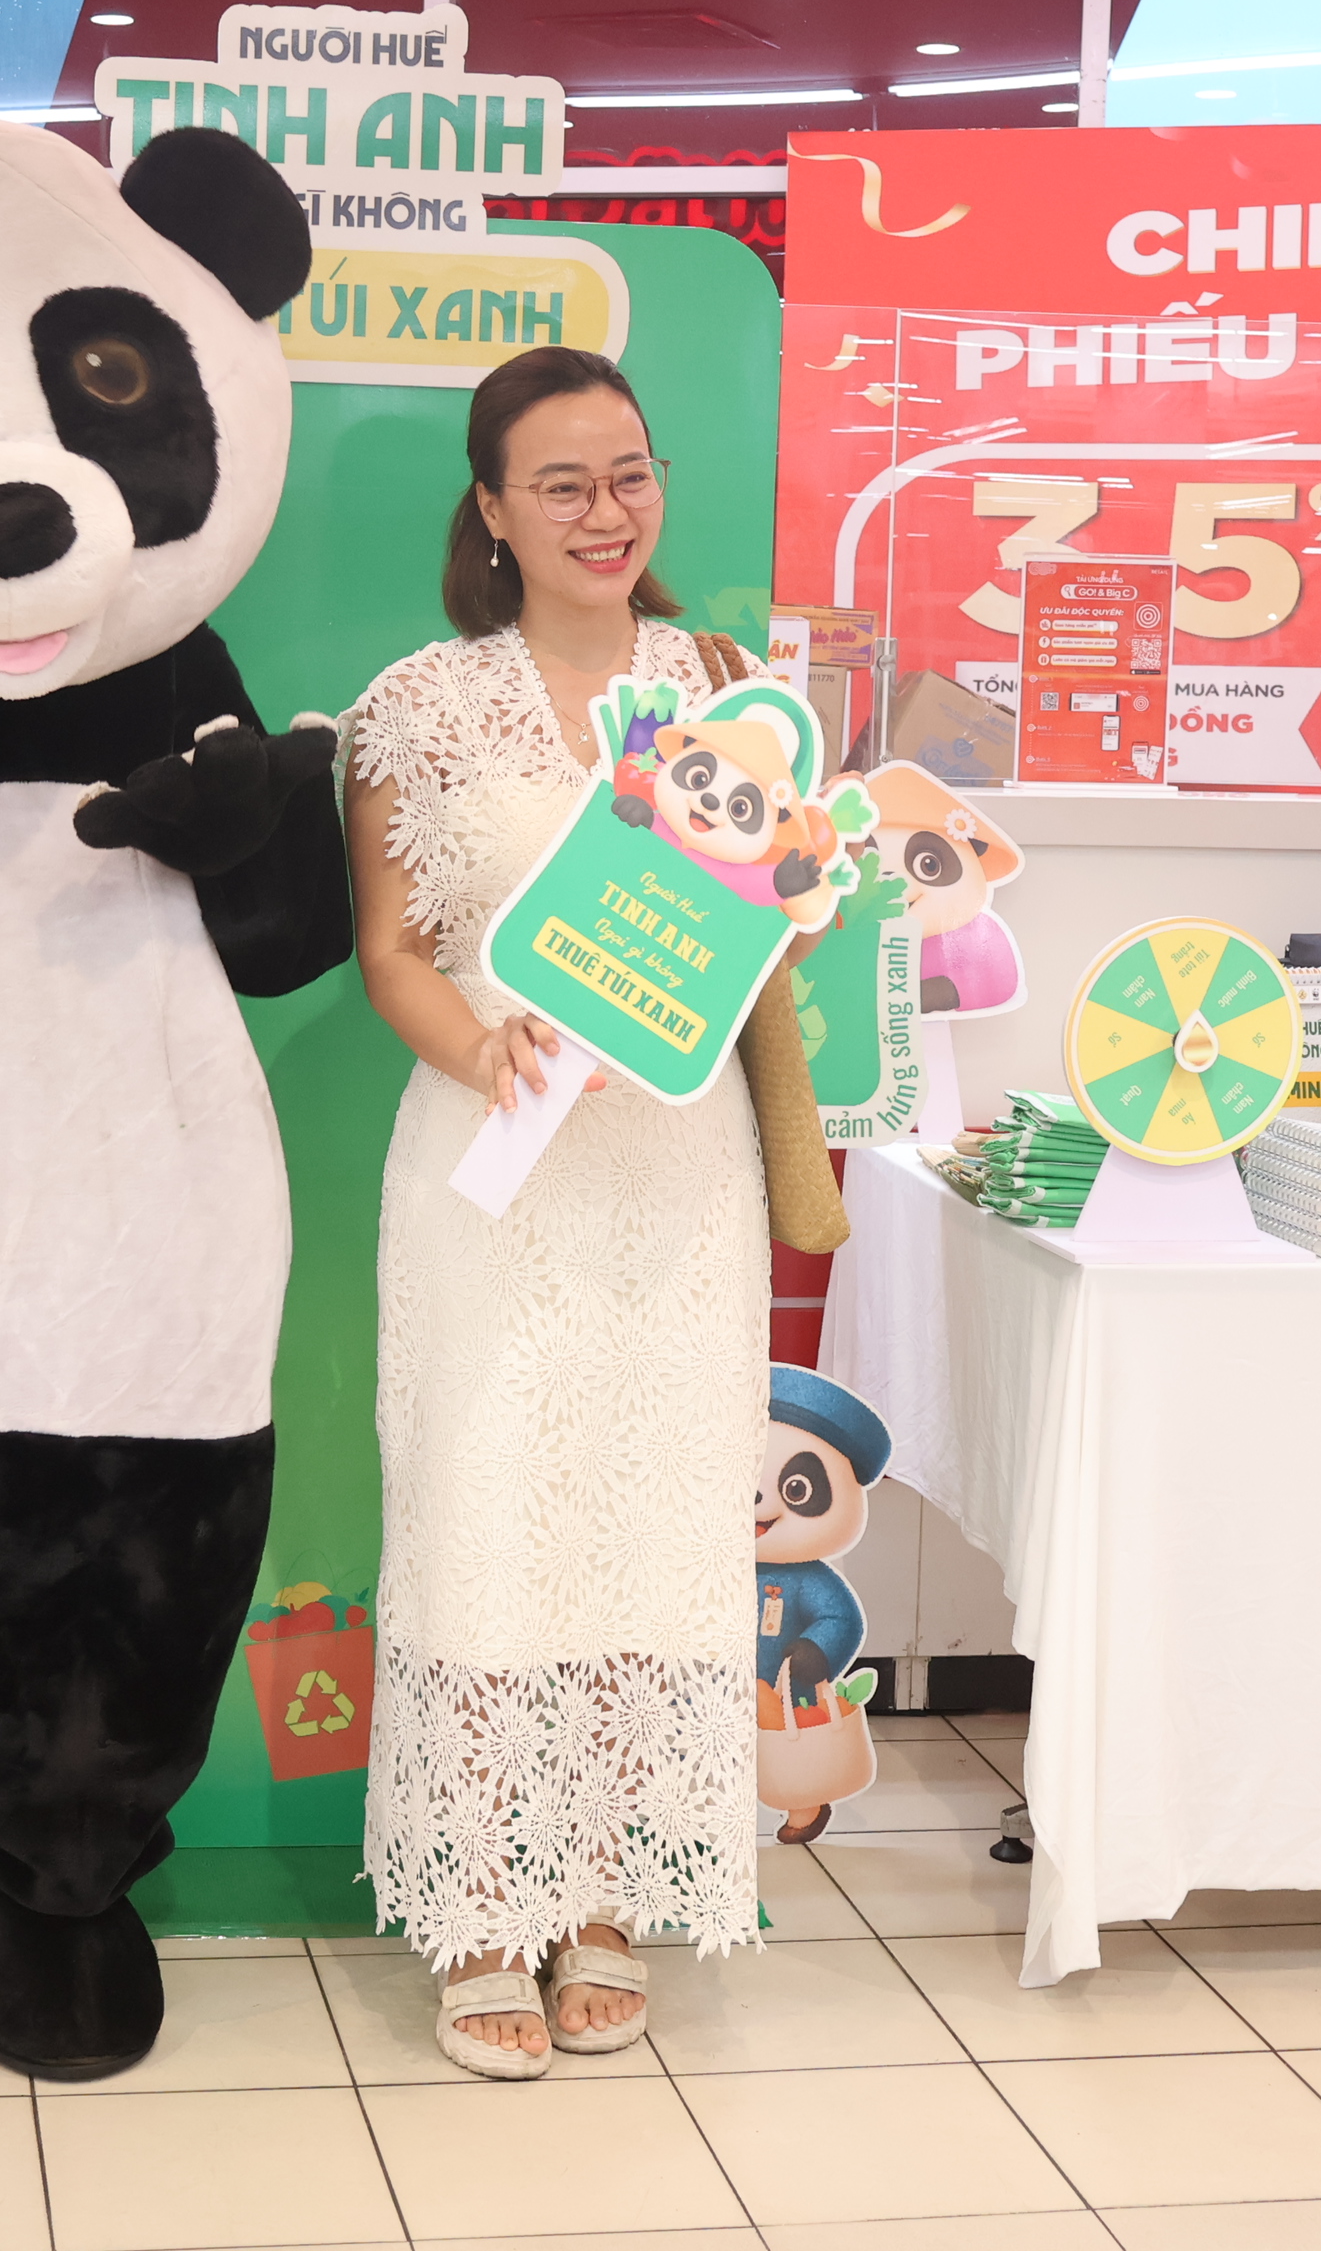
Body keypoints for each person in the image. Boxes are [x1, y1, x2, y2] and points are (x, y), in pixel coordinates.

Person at [340, 345, 769, 2077]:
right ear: (494, 511)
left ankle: (601, 1899)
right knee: (487, 1505)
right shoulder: (419, 705)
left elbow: (768, 919)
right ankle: (482, 1910)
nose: (609, 512)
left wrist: (808, 902)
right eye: (566, 484)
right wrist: (483, 1050)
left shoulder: (728, 690)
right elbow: (388, 951)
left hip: (678, 1169)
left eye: (632, 474)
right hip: (492, 1167)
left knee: (652, 1512)